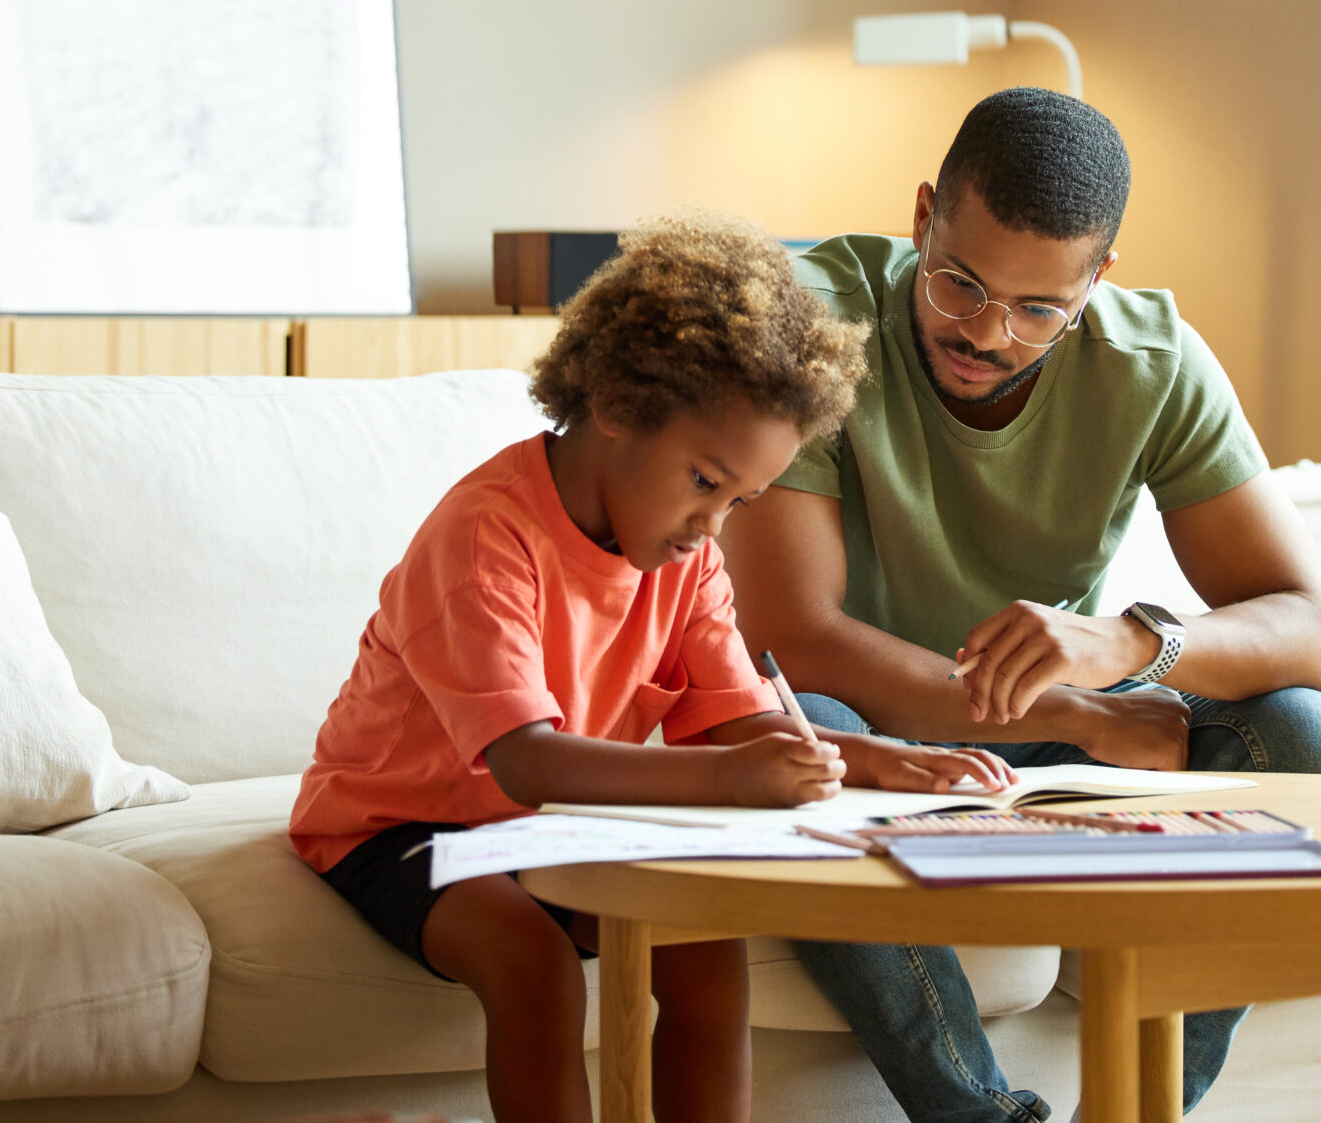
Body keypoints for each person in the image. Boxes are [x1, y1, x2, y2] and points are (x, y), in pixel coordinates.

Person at [721, 87, 1321, 1122]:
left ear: (1096, 280)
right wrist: (1073, 713)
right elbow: (792, 641)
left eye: (1038, 310)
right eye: (958, 284)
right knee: (800, 742)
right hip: (876, 736)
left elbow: (1320, 637)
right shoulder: (814, 320)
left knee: (1312, 738)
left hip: (1047, 756)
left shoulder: (1150, 362)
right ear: (923, 215)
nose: (985, 334)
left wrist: (1125, 644)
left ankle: (1138, 1110)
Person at [291, 212, 1016, 1123]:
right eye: (705, 482)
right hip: (403, 823)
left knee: (706, 943)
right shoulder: (486, 536)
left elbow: (738, 719)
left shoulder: (688, 557)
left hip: (556, 824)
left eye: (741, 501)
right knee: (532, 965)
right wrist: (730, 775)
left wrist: (885, 763)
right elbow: (528, 760)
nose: (712, 526)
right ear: (618, 407)